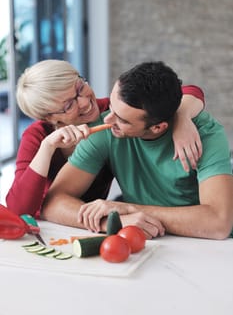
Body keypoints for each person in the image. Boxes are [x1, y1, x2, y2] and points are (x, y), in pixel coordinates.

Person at [42, 61, 233, 240]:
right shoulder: (106, 128)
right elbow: (53, 203)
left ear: (158, 127)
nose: (108, 120)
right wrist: (112, 221)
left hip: (206, 246)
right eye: (111, 107)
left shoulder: (206, 135)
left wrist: (127, 208)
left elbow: (218, 222)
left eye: (122, 120)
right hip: (146, 240)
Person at [6, 59, 204, 218]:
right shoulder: (37, 136)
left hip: (98, 218)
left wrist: (182, 117)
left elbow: (182, 92)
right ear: (49, 118)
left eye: (80, 87)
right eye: (68, 105)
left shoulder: (107, 112)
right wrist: (47, 147)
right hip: (56, 224)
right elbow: (18, 209)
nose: (84, 102)